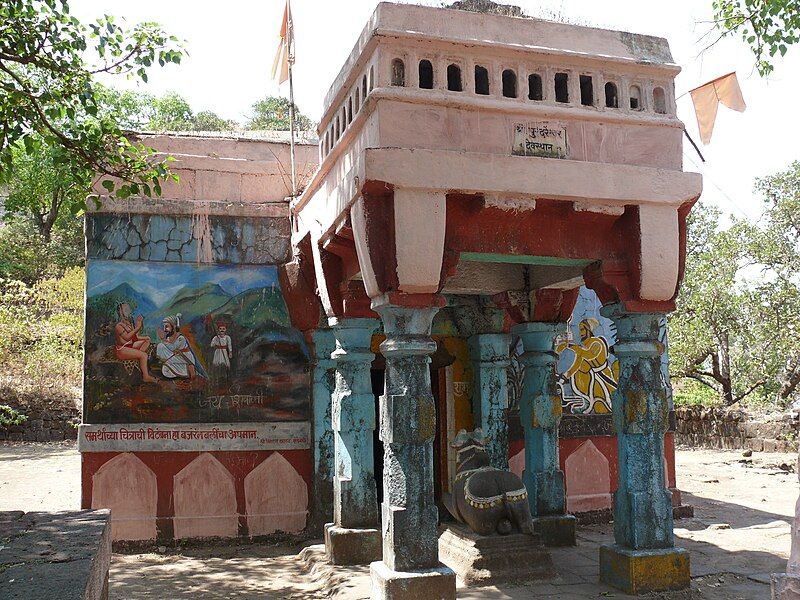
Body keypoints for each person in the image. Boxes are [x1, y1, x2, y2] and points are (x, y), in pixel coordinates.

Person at [556, 318, 619, 414]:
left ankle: (591, 402)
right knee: (578, 372)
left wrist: (570, 346)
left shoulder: (597, 342)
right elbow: (576, 365)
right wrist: (563, 378)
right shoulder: (584, 346)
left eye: (582, 329)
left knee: (602, 407)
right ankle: (586, 401)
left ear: (589, 329)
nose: (580, 332)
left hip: (602, 377)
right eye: (579, 329)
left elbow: (589, 355)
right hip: (591, 379)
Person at [114, 302, 157, 383]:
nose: (129, 311)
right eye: (126, 309)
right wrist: (138, 327)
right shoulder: (119, 326)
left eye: (129, 309)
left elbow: (135, 337)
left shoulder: (130, 323)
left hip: (130, 346)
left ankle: (138, 357)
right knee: (144, 355)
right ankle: (146, 376)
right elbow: (127, 338)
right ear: (121, 312)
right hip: (122, 349)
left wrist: (139, 326)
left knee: (147, 340)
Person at [156, 314, 204, 380]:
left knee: (161, 345)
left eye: (166, 327)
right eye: (164, 327)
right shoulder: (169, 338)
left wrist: (162, 339)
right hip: (175, 358)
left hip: (184, 358)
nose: (164, 330)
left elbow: (173, 348)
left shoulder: (181, 338)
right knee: (165, 370)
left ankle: (189, 370)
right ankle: (179, 370)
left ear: (174, 327)